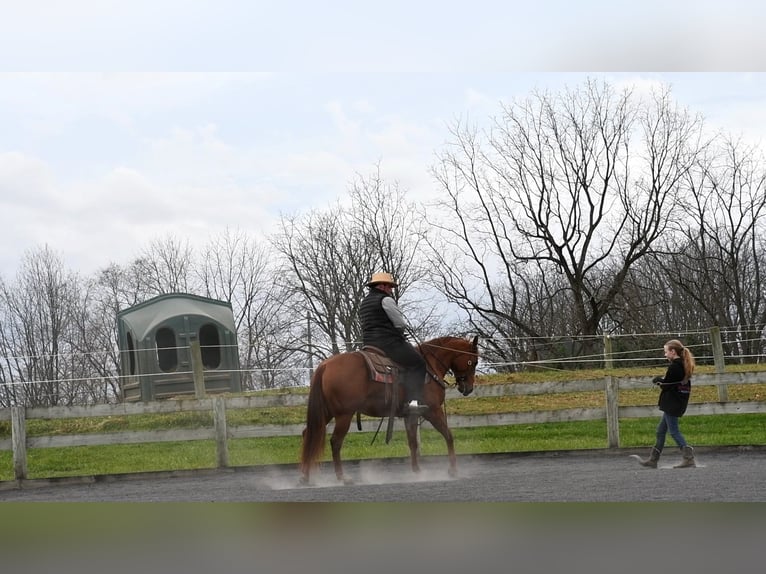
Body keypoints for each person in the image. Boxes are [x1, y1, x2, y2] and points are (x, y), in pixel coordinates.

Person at [359, 272, 427, 415]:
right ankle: (413, 402)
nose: (391, 290)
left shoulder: (364, 302)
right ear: (383, 286)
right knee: (418, 363)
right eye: (390, 287)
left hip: (369, 343)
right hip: (388, 343)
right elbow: (400, 324)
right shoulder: (386, 300)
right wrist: (399, 332)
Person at [636, 339, 696, 469]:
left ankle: (689, 458)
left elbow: (667, 386)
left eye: (666, 352)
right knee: (660, 431)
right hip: (675, 402)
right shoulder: (682, 365)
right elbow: (672, 383)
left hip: (672, 403)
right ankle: (653, 460)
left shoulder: (675, 366)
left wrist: (659, 381)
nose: (665, 355)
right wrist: (662, 381)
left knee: (674, 431)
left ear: (673, 352)